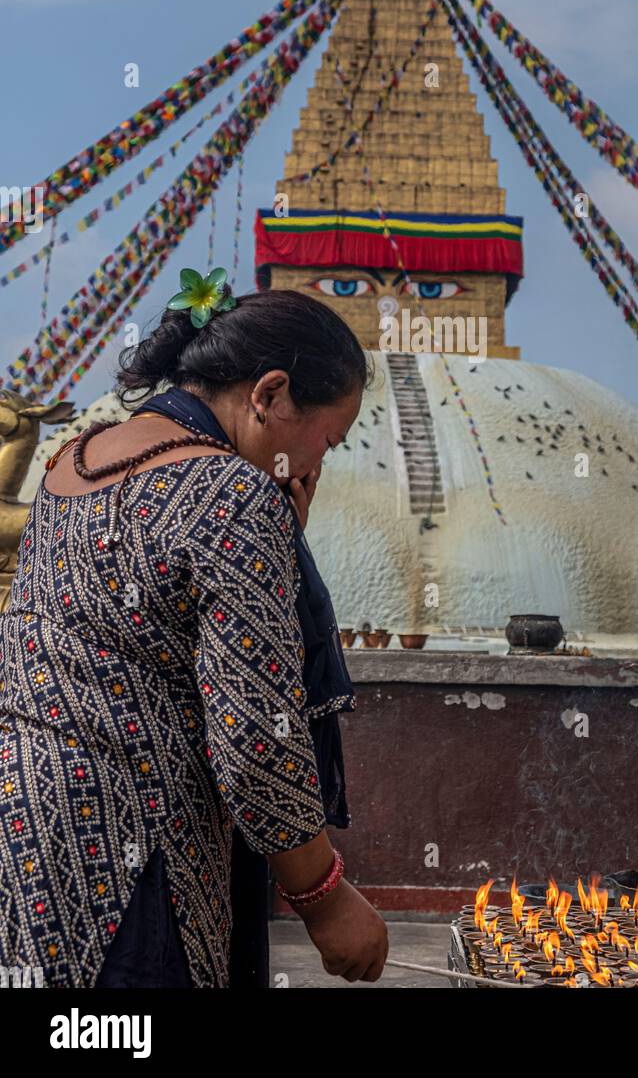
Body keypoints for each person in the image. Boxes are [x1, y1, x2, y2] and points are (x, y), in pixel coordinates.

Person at [0, 268, 389, 987]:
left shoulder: (71, 463)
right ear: (269, 394)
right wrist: (326, 901)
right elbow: (255, 739)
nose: (316, 463)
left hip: (31, 838)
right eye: (327, 440)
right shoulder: (229, 493)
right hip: (138, 861)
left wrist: (274, 548)